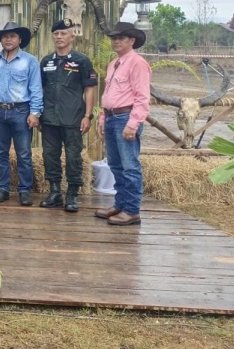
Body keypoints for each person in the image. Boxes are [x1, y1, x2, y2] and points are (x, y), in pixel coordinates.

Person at [95, 22, 151, 226]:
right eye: (114, 38)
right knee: (116, 164)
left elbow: (142, 97)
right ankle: (120, 204)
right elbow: (108, 93)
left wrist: (133, 123)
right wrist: (103, 117)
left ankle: (132, 210)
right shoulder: (114, 63)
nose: (116, 41)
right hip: (112, 117)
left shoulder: (137, 63)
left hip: (125, 118)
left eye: (121, 38)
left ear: (131, 41)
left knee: (130, 166)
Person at [40, 18, 97, 212]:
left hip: (73, 118)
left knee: (73, 156)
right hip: (49, 118)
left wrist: (87, 116)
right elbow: (41, 88)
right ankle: (54, 192)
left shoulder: (82, 61)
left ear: (72, 36)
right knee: (50, 155)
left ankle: (72, 194)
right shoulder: (46, 61)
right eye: (56, 33)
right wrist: (39, 113)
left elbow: (90, 88)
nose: (59, 37)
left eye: (63, 33)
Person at [0, 21, 43, 206]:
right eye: (5, 36)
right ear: (1, 40)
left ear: (20, 40)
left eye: (12, 36)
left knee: (24, 153)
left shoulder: (30, 61)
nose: (8, 39)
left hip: (21, 111)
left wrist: (35, 113)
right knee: (0, 153)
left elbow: (36, 88)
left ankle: (24, 190)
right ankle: (3, 189)